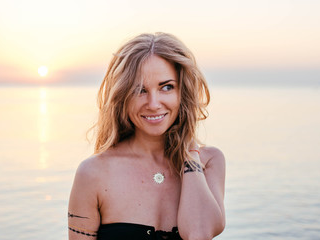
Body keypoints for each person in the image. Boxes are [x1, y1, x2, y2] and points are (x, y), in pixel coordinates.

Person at [68, 32, 226, 240]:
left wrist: (189, 152)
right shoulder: (93, 173)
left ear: (182, 92)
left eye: (166, 87)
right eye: (139, 90)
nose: (153, 104)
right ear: (122, 96)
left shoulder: (209, 162)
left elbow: (199, 234)